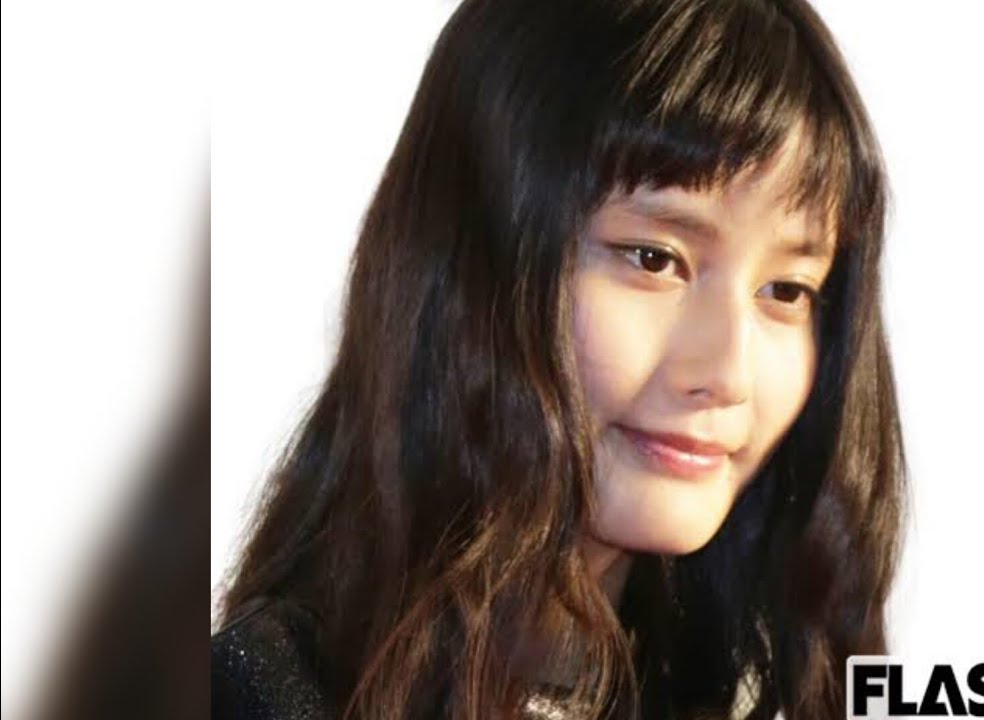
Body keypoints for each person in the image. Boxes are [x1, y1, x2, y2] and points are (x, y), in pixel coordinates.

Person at [212, 0, 905, 718]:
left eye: (786, 290)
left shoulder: (737, 689)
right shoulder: (262, 696)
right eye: (653, 259)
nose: (729, 372)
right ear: (474, 263)